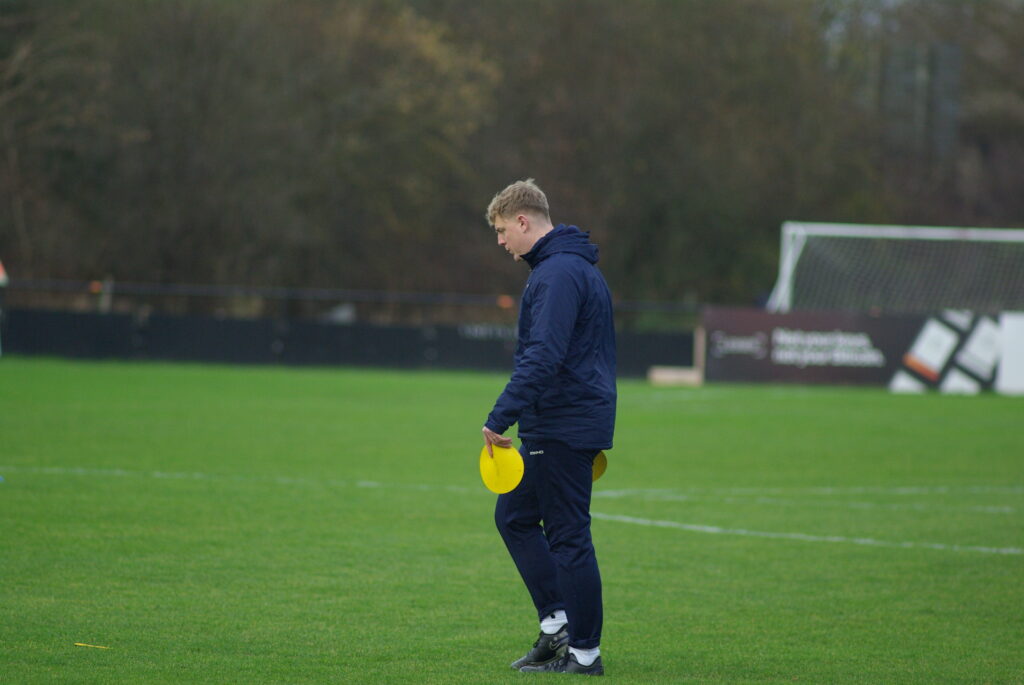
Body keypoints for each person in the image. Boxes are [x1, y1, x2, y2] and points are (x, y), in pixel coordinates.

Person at [481, 179, 616, 676]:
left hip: (564, 425)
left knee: (568, 538)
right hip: (561, 421)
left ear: (523, 221)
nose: (500, 242)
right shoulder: (566, 268)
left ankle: (584, 654)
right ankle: (558, 624)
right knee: (513, 516)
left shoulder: (558, 273)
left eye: (501, 230)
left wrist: (500, 417)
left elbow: (545, 354)